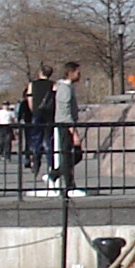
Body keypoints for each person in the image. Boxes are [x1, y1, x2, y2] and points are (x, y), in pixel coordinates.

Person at [48, 61, 86, 197]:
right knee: (69, 154)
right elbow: (65, 112)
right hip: (65, 125)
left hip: (66, 124)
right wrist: (73, 130)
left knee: (73, 155)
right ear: (70, 72)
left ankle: (55, 175)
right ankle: (68, 184)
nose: (80, 75)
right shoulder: (64, 89)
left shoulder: (66, 88)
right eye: (77, 72)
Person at [23, 64, 55, 178]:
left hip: (37, 113)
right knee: (49, 139)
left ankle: (36, 163)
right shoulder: (53, 84)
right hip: (50, 114)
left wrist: (33, 110)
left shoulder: (32, 84)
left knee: (36, 138)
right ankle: (51, 164)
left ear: (40, 73)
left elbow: (29, 98)